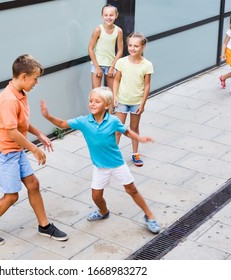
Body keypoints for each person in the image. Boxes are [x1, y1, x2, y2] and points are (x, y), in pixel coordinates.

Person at [0, 54, 68, 245]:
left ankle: (44, 226)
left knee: (33, 184)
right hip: (5, 153)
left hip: (15, 150)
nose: (36, 83)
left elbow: (21, 123)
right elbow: (12, 132)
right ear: (24, 76)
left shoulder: (21, 93)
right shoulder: (9, 100)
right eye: (35, 78)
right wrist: (34, 149)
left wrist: (39, 133)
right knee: (11, 196)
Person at [40, 87, 161, 234]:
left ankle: (150, 216)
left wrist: (140, 138)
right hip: (100, 166)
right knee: (96, 196)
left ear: (106, 105)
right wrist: (47, 116)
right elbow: (62, 123)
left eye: (97, 101)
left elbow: (126, 131)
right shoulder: (84, 121)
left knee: (132, 189)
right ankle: (104, 212)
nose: (92, 104)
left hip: (117, 164)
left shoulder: (113, 121)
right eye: (91, 101)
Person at [113, 32, 153, 167]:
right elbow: (116, 80)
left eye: (136, 46)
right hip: (122, 101)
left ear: (142, 47)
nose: (132, 48)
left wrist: (143, 103)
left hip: (136, 102)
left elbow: (147, 85)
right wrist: (114, 97)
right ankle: (114, 155)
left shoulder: (147, 65)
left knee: (134, 128)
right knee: (118, 129)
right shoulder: (121, 62)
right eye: (130, 45)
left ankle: (135, 154)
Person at [88, 4, 124, 90]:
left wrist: (112, 67)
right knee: (96, 93)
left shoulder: (118, 31)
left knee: (111, 93)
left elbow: (120, 50)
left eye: (111, 15)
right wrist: (97, 67)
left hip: (111, 65)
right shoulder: (98, 30)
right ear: (102, 16)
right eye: (106, 15)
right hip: (97, 64)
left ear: (116, 15)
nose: (108, 17)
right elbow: (90, 48)